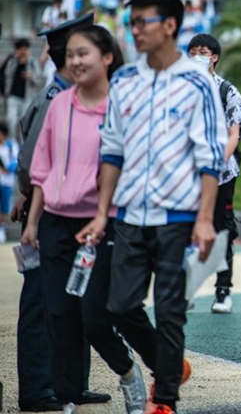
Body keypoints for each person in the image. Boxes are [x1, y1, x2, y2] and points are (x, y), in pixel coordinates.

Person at [76, 0, 225, 414]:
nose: (135, 30)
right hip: (129, 216)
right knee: (120, 306)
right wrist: (103, 213)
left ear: (170, 25)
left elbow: (210, 155)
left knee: (170, 308)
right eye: (131, 22)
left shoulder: (199, 83)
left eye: (143, 22)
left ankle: (165, 401)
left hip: (178, 217)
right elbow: (112, 150)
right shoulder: (124, 81)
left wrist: (204, 218)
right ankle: (169, 363)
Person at [20, 24, 149, 413]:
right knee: (58, 315)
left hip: (102, 225)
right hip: (56, 223)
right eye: (70, 55)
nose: (74, 61)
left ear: (107, 58)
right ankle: (66, 397)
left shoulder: (124, 107)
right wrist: (32, 222)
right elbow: (43, 166)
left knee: (94, 316)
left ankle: (128, 373)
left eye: (83, 54)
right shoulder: (58, 104)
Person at [13, 13, 111, 413]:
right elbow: (34, 160)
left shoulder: (76, 96)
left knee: (76, 297)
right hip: (49, 213)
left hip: (74, 214)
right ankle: (38, 388)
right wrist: (29, 204)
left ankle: (73, 381)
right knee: (42, 305)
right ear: (66, 56)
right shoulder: (55, 99)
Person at [188, 33, 241, 314]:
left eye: (202, 51)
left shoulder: (227, 90)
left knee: (222, 227)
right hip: (185, 173)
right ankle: (184, 288)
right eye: (192, 51)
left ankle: (223, 289)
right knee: (180, 228)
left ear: (214, 56)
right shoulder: (180, 88)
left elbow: (234, 133)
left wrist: (217, 163)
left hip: (221, 173)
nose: (197, 56)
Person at [3, 39, 43, 140]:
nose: (23, 51)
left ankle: (22, 143)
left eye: (25, 49)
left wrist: (31, 77)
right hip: (12, 96)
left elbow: (39, 80)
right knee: (11, 120)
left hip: (27, 97)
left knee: (24, 123)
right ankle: (12, 142)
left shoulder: (32, 62)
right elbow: (6, 75)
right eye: (21, 49)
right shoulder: (12, 61)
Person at [0, 122, 19, 243]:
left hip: (7, 182)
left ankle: (2, 229)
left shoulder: (11, 145)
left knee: (5, 207)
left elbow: (16, 161)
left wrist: (7, 169)